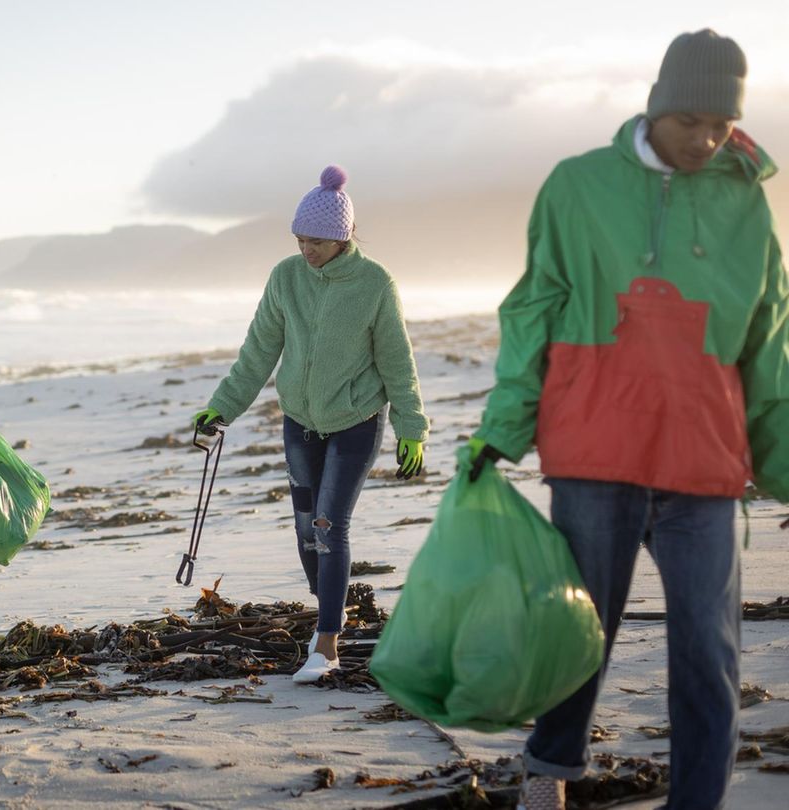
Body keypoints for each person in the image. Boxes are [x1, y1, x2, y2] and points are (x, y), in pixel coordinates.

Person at [468, 30, 789, 810]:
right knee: (580, 638)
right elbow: (535, 308)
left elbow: (768, 344)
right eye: (691, 122)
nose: (707, 140)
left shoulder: (746, 201)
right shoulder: (578, 185)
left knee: (709, 656)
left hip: (702, 464)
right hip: (595, 454)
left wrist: (782, 467)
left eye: (722, 125)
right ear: (656, 105)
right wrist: (504, 427)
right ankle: (548, 778)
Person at [193, 166, 429, 684]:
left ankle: (326, 644)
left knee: (327, 525)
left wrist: (412, 427)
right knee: (305, 532)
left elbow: (396, 361)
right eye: (300, 239)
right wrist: (222, 408)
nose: (307, 250)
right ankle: (332, 608)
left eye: (316, 241)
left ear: (342, 237)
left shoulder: (374, 284)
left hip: (356, 420)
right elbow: (258, 353)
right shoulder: (285, 278)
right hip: (300, 420)